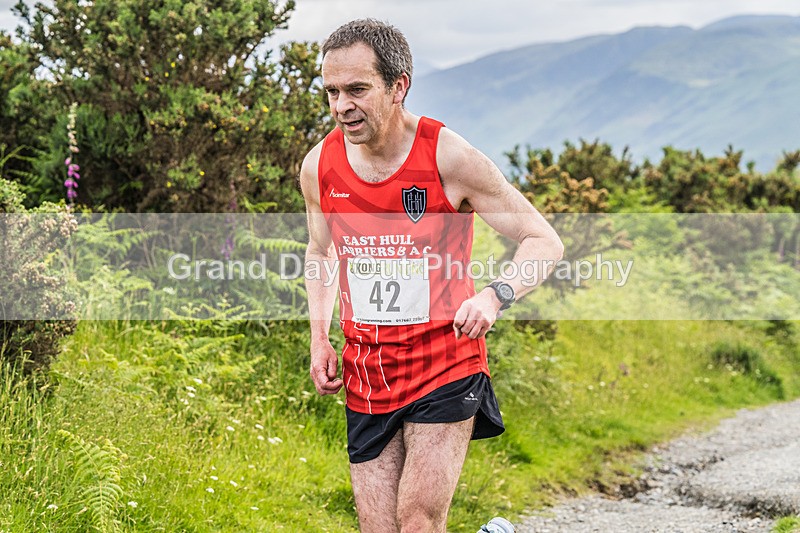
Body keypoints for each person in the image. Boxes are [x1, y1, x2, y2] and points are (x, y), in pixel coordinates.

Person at [299, 18, 563, 533]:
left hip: (446, 361)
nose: (340, 106)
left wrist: (494, 296)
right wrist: (318, 337)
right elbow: (320, 252)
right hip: (368, 368)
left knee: (418, 519)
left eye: (356, 89)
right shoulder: (319, 166)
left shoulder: (448, 157)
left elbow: (543, 240)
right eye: (331, 91)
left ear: (399, 87)